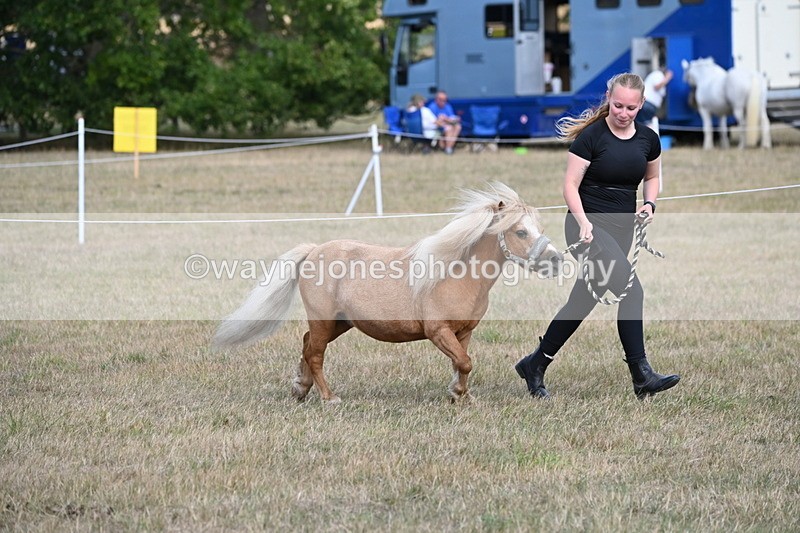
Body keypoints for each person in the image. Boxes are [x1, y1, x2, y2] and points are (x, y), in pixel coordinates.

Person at [515, 72, 680, 400]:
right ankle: (641, 374)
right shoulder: (591, 137)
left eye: (631, 108)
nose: (623, 113)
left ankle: (535, 363)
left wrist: (649, 204)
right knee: (632, 292)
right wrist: (584, 222)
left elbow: (653, 177)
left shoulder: (648, 139)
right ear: (608, 98)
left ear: (641, 104)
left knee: (582, 300)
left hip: (622, 230)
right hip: (585, 228)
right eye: (617, 105)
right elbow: (569, 186)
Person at [636, 65, 673, 133]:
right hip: (648, 103)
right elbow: (657, 86)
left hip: (647, 104)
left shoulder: (655, 75)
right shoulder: (658, 74)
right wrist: (668, 78)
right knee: (646, 125)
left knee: (641, 124)